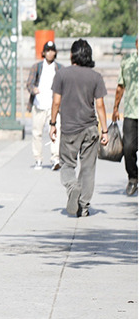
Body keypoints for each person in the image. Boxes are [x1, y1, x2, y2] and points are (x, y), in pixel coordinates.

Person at [49, 39, 108, 217]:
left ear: (72, 55)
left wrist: (52, 124)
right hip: (90, 128)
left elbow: (56, 102)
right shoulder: (96, 77)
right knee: (88, 169)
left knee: (67, 164)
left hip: (69, 129)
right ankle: (84, 207)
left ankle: (72, 186)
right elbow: (100, 106)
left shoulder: (62, 74)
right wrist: (104, 131)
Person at [25, 41, 64, 170]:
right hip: (39, 104)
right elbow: (29, 83)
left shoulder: (59, 68)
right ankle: (38, 158)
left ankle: (55, 158)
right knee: (37, 133)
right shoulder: (37, 67)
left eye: (52, 50)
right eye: (48, 50)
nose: (50, 53)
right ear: (44, 53)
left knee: (55, 131)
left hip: (54, 106)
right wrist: (33, 89)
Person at [112, 41, 137, 196]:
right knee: (128, 148)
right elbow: (121, 86)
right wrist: (115, 107)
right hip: (131, 112)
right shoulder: (128, 61)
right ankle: (133, 178)